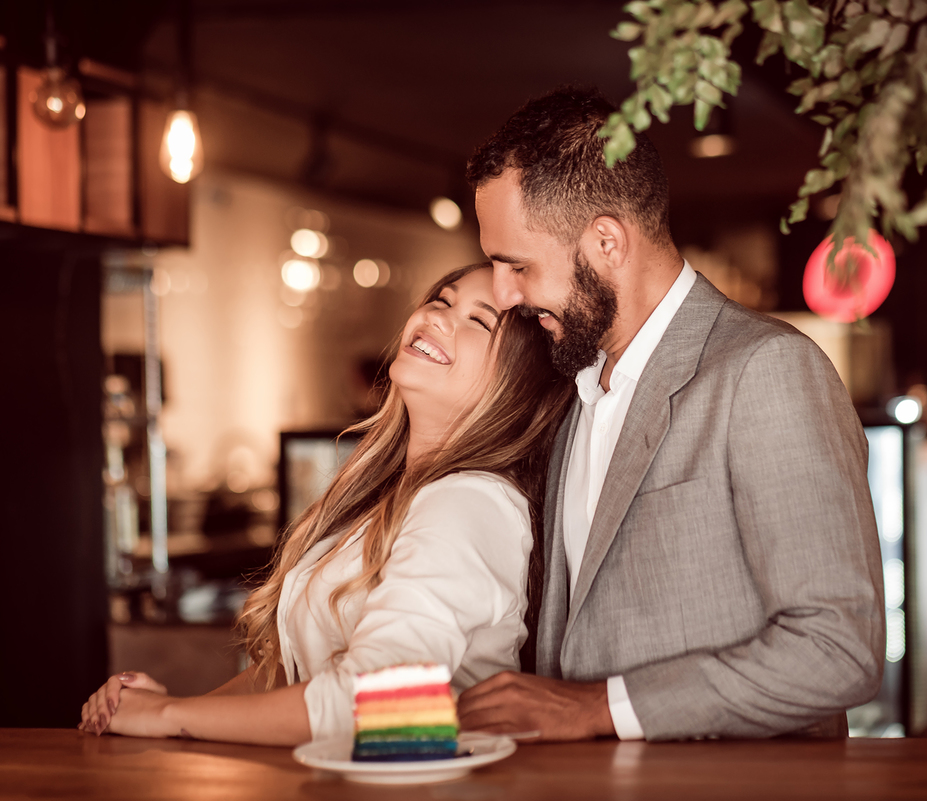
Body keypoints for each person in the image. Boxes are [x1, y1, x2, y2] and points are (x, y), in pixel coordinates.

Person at [457, 88, 885, 741]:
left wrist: (597, 708)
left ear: (606, 241)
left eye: (518, 264)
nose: (504, 293)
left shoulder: (766, 370)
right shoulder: (575, 388)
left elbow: (839, 650)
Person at [79, 264, 574, 745]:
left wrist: (167, 716)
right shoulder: (387, 496)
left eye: (478, 320)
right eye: (441, 299)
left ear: (517, 387)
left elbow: (376, 707)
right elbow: (292, 680)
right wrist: (167, 710)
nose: (436, 316)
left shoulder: (470, 502)